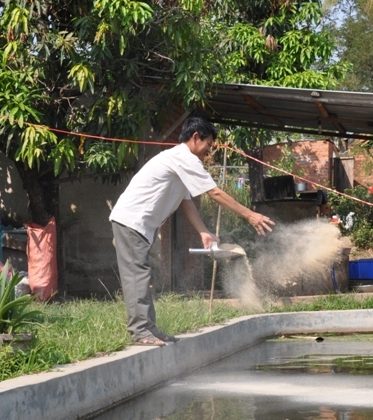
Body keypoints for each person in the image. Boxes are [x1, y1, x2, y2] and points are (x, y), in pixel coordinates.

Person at [109, 116, 274, 346]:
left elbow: (186, 201)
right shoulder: (184, 158)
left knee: (143, 275)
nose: (209, 151)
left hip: (139, 224)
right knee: (138, 275)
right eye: (208, 144)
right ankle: (140, 332)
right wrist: (250, 215)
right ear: (195, 137)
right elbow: (214, 193)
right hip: (131, 221)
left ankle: (149, 329)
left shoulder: (180, 161)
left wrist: (203, 232)